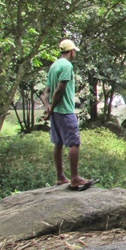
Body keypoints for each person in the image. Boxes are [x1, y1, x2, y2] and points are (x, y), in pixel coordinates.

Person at [41, 39, 98, 191]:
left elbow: (45, 92)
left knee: (58, 143)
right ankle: (74, 178)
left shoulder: (54, 66)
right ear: (71, 51)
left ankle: (60, 177)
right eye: (74, 52)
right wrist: (52, 106)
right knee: (74, 143)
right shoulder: (67, 66)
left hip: (56, 113)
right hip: (65, 111)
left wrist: (48, 108)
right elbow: (60, 88)